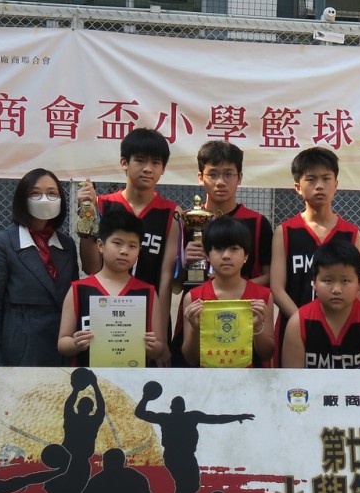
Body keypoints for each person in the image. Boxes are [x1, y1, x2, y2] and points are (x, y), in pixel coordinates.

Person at [0, 167, 101, 366]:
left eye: (52, 193)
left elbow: (76, 294)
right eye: (35, 193)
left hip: (62, 352)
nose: (44, 198)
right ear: (22, 199)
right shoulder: (1, 244)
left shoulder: (66, 244)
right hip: (21, 355)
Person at [98, 128, 182, 364]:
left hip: (151, 317)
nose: (148, 168)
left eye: (156, 163)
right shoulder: (101, 205)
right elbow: (92, 266)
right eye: (140, 160)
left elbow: (166, 278)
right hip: (107, 313)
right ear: (124, 162)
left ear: (163, 169)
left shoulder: (172, 213)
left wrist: (162, 335)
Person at [270, 147, 360, 335]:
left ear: (336, 184)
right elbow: (277, 289)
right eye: (311, 179)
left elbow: (355, 287)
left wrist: (331, 325)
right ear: (298, 187)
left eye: (326, 178)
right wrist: (301, 321)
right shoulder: (285, 232)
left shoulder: (352, 234)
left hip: (337, 330)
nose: (319, 186)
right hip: (293, 330)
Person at [57, 205, 163, 366]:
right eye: (117, 243)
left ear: (139, 250)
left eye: (132, 246)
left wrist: (152, 347)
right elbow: (62, 343)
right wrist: (75, 344)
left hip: (133, 376)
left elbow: (159, 348)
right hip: (89, 376)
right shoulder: (79, 289)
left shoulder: (148, 292)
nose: (124, 251)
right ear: (100, 245)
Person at [134, 381, 255, 493]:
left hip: (184, 457)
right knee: (186, 491)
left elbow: (216, 419)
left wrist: (236, 417)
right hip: (175, 457)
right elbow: (140, 413)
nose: (180, 406)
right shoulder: (168, 418)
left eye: (181, 404)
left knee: (186, 492)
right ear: (172, 407)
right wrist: (145, 398)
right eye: (178, 404)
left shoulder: (186, 417)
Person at [31, 368, 108, 493]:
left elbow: (98, 407)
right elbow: (99, 406)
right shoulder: (82, 420)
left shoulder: (83, 420)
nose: (85, 406)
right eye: (85, 403)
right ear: (86, 408)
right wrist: (92, 385)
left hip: (79, 466)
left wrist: (79, 388)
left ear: (83, 407)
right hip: (68, 463)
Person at [180, 215, 276, 367]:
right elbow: (190, 359)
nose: (226, 256)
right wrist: (195, 329)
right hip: (209, 379)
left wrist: (257, 326)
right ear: (207, 255)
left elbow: (267, 354)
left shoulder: (262, 296)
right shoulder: (193, 297)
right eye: (218, 249)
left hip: (250, 379)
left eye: (234, 249)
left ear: (246, 255)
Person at [281, 240, 360, 369]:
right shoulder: (298, 323)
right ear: (314, 282)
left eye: (345, 280)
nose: (336, 289)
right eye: (328, 280)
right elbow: (293, 379)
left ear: (359, 283)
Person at [180, 139, 273, 286]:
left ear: (240, 178)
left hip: (245, 301)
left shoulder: (258, 222)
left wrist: (230, 290)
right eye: (213, 175)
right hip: (195, 299)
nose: (220, 182)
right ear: (200, 178)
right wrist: (182, 263)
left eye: (228, 174)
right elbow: (174, 284)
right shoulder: (186, 221)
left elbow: (270, 277)